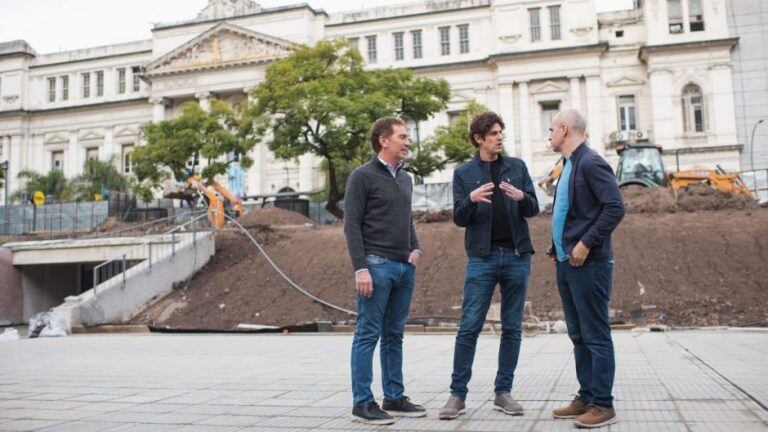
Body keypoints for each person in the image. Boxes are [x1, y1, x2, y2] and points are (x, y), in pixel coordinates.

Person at [439, 111, 539, 420]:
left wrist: (522, 196)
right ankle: (457, 395)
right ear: (478, 139)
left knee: (512, 328)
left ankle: (503, 392)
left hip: (516, 257)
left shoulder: (517, 167)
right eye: (493, 133)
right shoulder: (464, 173)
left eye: (500, 133)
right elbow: (458, 218)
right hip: (481, 259)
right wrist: (469, 199)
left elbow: (534, 208)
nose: (499, 137)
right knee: (469, 327)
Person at [343, 117, 426, 425]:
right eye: (402, 137)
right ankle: (362, 403)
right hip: (375, 267)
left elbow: (407, 220)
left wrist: (415, 248)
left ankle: (393, 397)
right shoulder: (361, 176)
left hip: (404, 267)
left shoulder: (405, 178)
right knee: (367, 334)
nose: (407, 141)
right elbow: (351, 225)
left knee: (394, 334)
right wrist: (360, 268)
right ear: (384, 140)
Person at [546, 108, 625, 428]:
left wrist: (585, 243)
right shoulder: (568, 164)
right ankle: (588, 396)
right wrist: (558, 246)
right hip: (568, 262)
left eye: (551, 129)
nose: (548, 134)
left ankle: (603, 404)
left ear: (565, 129)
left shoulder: (590, 162)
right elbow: (570, 210)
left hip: (588, 262)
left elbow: (615, 207)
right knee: (579, 334)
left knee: (595, 333)